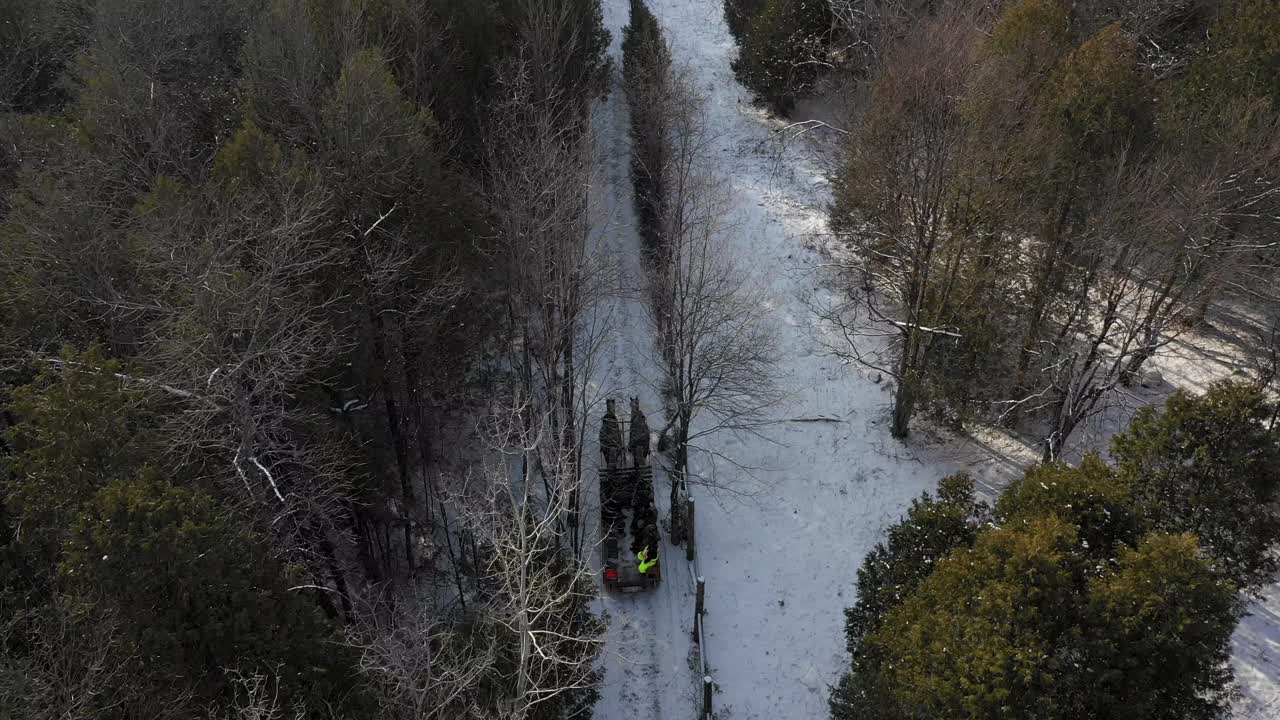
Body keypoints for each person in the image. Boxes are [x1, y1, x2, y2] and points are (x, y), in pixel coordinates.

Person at [599, 399, 624, 468]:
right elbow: (602, 433)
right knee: (611, 462)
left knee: (615, 461)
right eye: (610, 407)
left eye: (613, 407)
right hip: (610, 446)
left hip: (614, 445)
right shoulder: (606, 421)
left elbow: (618, 434)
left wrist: (620, 445)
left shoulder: (614, 421)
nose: (612, 409)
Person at [628, 397, 650, 467]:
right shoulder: (642, 421)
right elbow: (647, 434)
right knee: (640, 463)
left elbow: (632, 434)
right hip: (643, 445)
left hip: (637, 444)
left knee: (637, 463)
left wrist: (630, 445)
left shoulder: (635, 422)